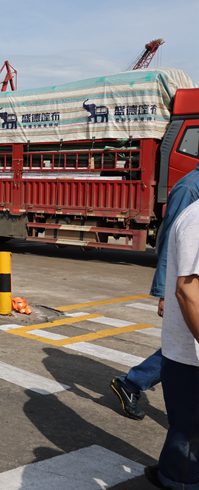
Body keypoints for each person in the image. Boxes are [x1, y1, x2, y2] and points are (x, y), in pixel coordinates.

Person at [111, 162, 199, 420]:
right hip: (186, 286)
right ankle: (132, 382)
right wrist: (164, 291)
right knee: (184, 348)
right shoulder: (189, 189)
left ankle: (132, 382)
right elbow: (174, 241)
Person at [144, 198, 199, 490]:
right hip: (191, 354)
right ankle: (176, 480)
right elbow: (188, 291)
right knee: (189, 433)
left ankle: (170, 473)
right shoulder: (198, 219)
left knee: (188, 432)